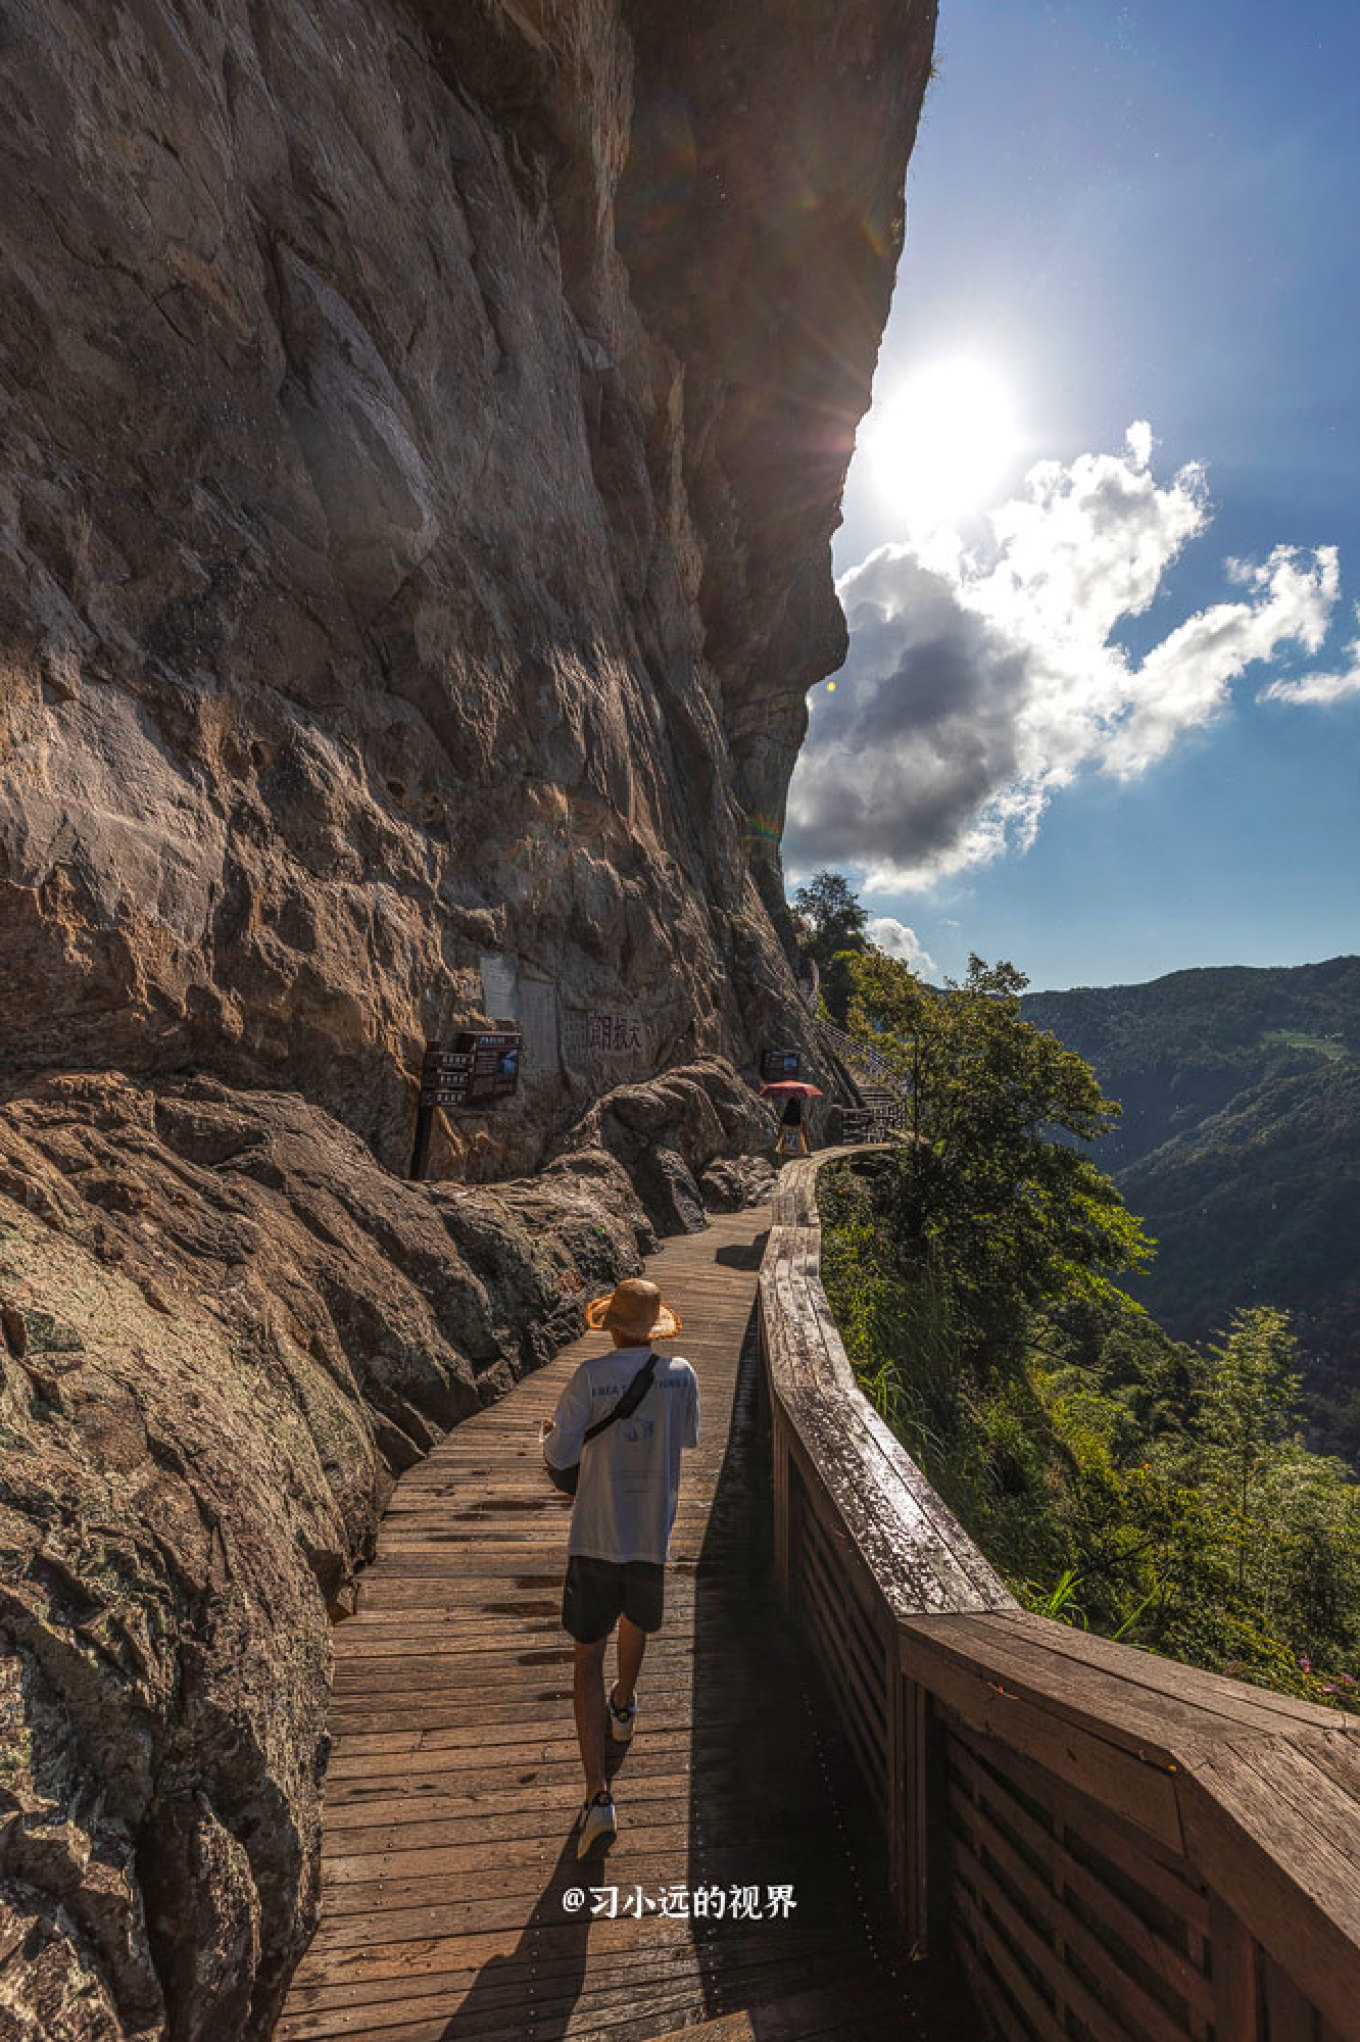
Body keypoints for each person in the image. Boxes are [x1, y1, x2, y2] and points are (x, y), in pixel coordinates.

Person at [540, 1278, 699, 1857]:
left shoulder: (587, 1378)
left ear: (611, 1326)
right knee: (637, 1619)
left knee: (586, 1662)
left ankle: (597, 1796)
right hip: (649, 1538)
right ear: (654, 1329)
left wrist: (548, 1440)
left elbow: (559, 1457)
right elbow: (683, 1439)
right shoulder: (682, 1376)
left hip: (594, 1537)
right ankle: (625, 1705)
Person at [776, 1091, 811, 1157]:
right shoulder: (800, 1118)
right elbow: (804, 1135)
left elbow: (780, 1133)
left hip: (785, 1147)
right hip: (799, 1149)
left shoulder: (784, 1118)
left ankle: (782, 1152)